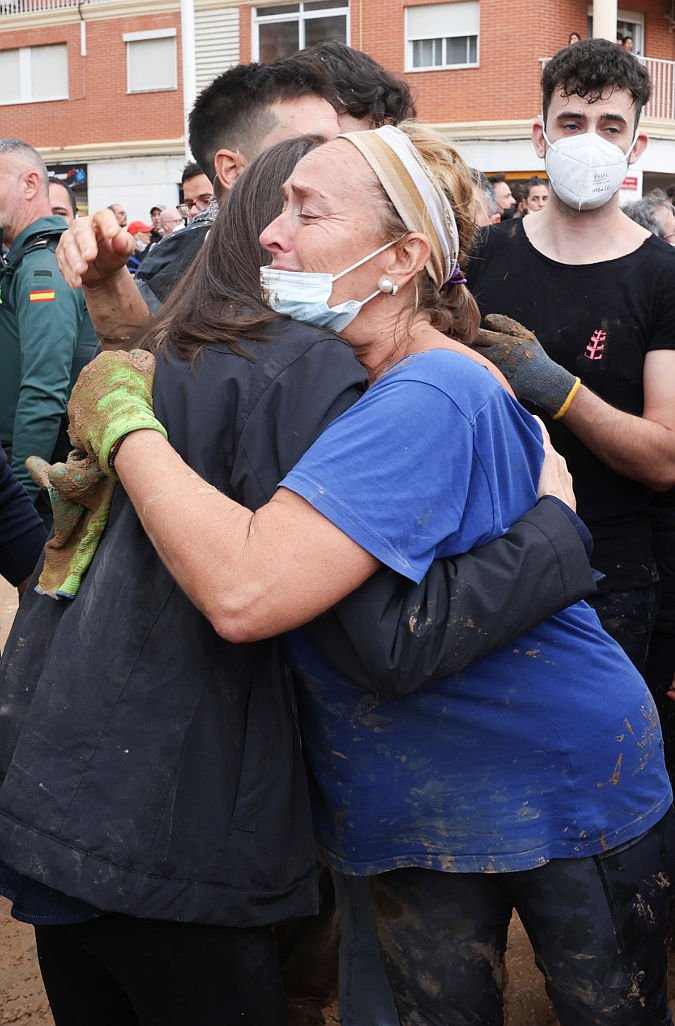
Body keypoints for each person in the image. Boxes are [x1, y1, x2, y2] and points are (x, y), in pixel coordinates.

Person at [59, 122, 673, 1026]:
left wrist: (123, 431)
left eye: (306, 210)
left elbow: (248, 591)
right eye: (275, 207)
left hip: (546, 786)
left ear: (402, 257)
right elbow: (215, 404)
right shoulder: (348, 372)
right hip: (419, 796)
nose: (269, 231)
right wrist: (117, 303)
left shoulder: (425, 395)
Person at [467, 38, 675, 674]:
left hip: (608, 575)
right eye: (572, 123)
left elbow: (665, 457)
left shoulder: (662, 277)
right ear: (541, 136)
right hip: (481, 562)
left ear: (635, 146)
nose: (591, 141)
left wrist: (555, 388)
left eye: (611, 126)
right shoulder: (479, 257)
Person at [0, 139, 98, 524]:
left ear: (29, 185)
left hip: (33, 468)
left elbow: (44, 389)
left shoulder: (43, 266)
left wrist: (19, 495)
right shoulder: (27, 260)